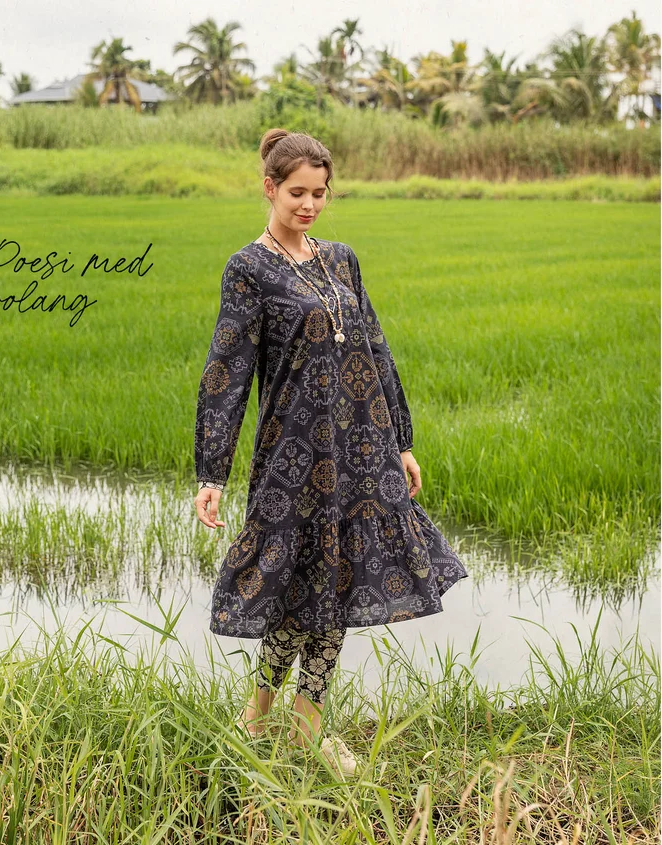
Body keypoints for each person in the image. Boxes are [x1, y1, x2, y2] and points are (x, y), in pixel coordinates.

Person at [193, 128, 468, 777]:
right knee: (296, 590)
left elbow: (374, 348)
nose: (310, 204)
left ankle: (308, 722)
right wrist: (212, 470)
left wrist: (399, 440)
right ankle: (259, 714)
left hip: (358, 449)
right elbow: (226, 371)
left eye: (320, 193)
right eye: (297, 192)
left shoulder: (341, 259)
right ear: (269, 186)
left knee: (335, 585)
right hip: (291, 455)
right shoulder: (249, 268)